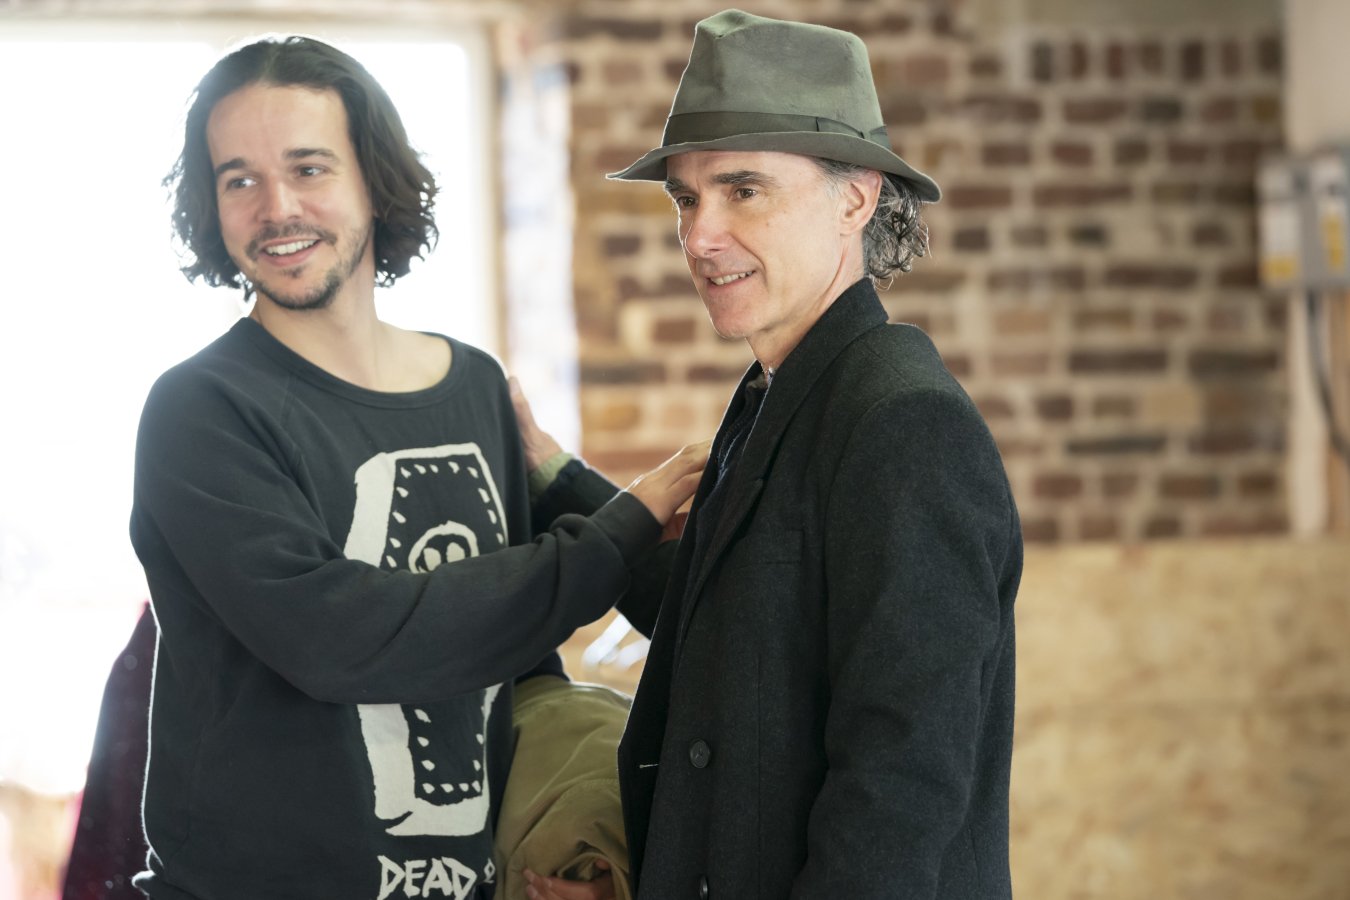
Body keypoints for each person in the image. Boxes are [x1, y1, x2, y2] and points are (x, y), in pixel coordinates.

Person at [130, 35, 705, 899]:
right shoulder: (202, 412)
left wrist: (567, 859)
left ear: (373, 176)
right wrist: (618, 531)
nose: (276, 207)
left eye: (310, 168)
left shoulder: (471, 384)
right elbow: (340, 639)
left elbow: (513, 659)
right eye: (238, 178)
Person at [526, 9, 1023, 900]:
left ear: (855, 197)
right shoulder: (782, 395)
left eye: (742, 189)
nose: (699, 235)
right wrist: (551, 471)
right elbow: (721, 627)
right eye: (686, 197)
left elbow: (895, 794)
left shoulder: (903, 425)